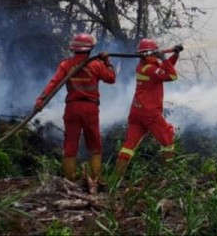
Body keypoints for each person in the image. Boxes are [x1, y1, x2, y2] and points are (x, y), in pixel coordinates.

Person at [35, 32, 116, 184]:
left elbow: (53, 84)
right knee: (95, 145)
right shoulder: (96, 64)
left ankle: (69, 181)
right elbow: (111, 79)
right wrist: (107, 61)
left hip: (72, 108)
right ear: (90, 48)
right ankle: (96, 180)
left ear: (73, 49)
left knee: (70, 144)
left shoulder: (65, 65)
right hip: (90, 109)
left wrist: (41, 100)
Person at [115, 39, 184, 178]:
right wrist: (163, 58)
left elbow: (164, 68)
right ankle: (168, 177)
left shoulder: (145, 66)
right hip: (150, 113)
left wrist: (174, 56)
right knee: (168, 139)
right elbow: (171, 75)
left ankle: (115, 178)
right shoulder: (150, 69)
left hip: (137, 111)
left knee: (129, 145)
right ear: (148, 54)